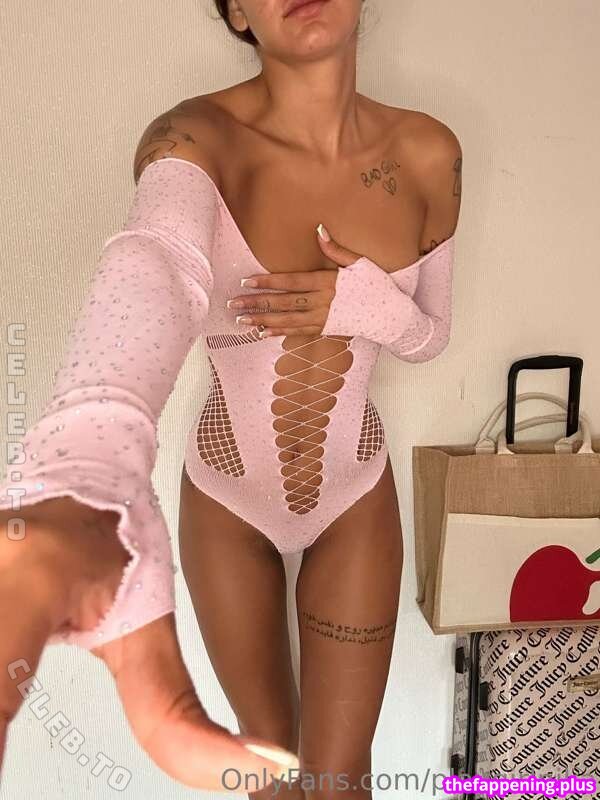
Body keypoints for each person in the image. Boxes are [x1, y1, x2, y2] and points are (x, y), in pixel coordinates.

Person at [0, 0, 462, 796]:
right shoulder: (192, 140)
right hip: (228, 502)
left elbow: (430, 338)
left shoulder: (429, 151)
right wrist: (85, 463)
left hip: (355, 494)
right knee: (269, 775)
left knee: (343, 781)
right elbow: (156, 261)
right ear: (238, 10)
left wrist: (366, 307)